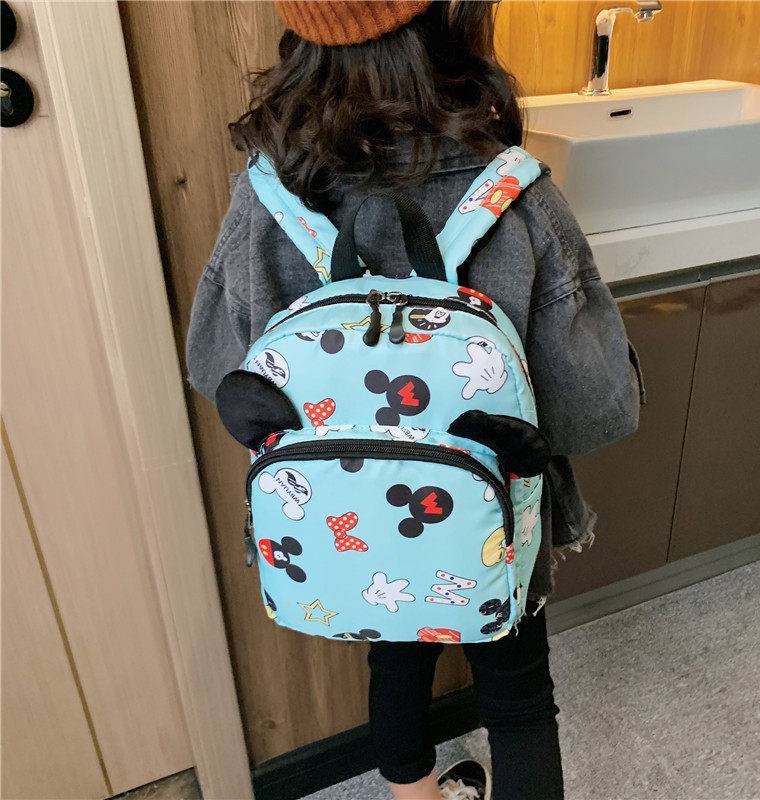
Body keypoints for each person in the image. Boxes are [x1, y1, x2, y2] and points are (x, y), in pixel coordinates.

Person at [186, 2, 643, 798]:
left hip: (349, 522)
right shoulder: (514, 193)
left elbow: (216, 368)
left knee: (394, 657)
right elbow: (594, 410)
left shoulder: (265, 198)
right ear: (453, 23)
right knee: (518, 694)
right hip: (494, 518)